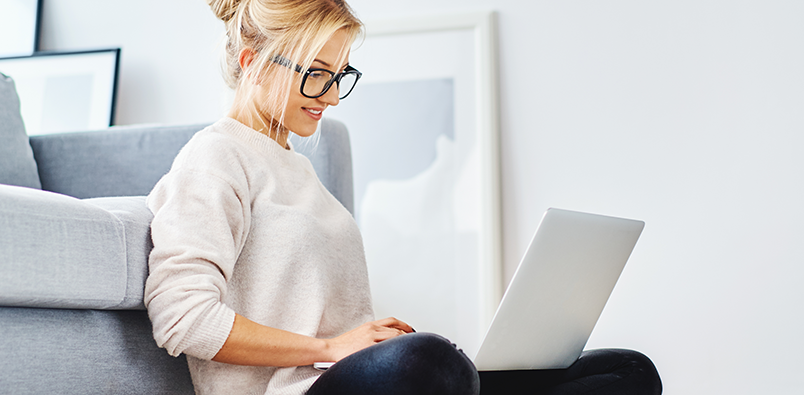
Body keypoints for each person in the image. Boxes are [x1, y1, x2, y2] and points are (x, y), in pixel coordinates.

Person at [143, 0, 664, 394]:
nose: (328, 95)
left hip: (359, 377)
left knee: (627, 372)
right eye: (315, 75)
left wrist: (368, 340)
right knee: (430, 364)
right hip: (296, 390)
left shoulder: (297, 168)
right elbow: (181, 317)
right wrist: (330, 348)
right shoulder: (214, 157)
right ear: (255, 63)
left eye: (339, 74)